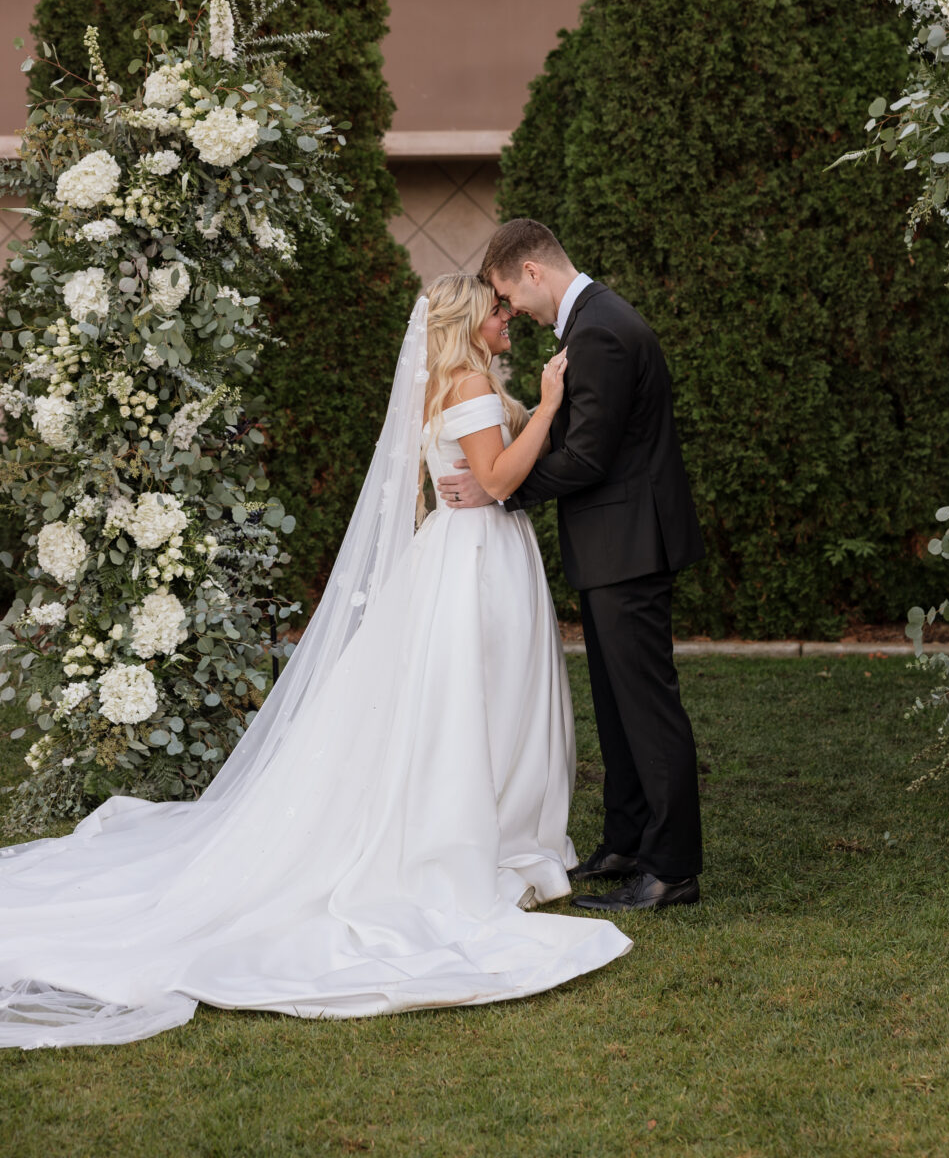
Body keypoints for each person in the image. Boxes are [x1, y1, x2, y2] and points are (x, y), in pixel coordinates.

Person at [0, 274, 630, 1050]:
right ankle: (477, 832)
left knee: (472, 698)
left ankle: (496, 822)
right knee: (474, 697)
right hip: (474, 559)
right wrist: (554, 405)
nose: (509, 318)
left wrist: (528, 415)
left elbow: (488, 464)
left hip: (472, 553)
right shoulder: (467, 380)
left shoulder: (457, 380)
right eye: (498, 311)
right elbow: (496, 481)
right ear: (473, 321)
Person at [438, 220, 704, 913]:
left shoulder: (598, 330)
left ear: (531, 271)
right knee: (616, 707)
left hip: (630, 545)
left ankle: (670, 868)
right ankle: (626, 840)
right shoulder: (588, 323)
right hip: (612, 544)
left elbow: (587, 456)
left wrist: (498, 486)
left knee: (646, 707)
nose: (512, 313)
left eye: (506, 295)